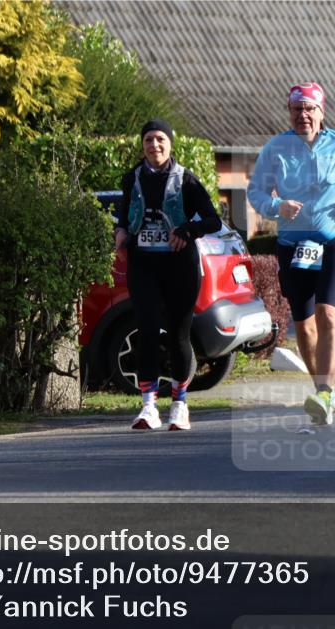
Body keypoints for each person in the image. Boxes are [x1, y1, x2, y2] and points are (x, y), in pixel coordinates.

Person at [247, 82, 335, 426]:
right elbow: (255, 190)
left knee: (328, 314)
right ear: (289, 113)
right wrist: (276, 206)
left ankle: (326, 393)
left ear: (321, 112)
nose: (303, 115)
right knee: (304, 326)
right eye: (296, 109)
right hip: (294, 246)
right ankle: (321, 390)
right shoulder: (276, 148)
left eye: (309, 108)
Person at [114, 119, 222, 430]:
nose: (154, 145)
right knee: (146, 330)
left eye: (160, 139)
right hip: (143, 265)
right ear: (142, 145)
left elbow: (212, 220)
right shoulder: (131, 178)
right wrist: (121, 232)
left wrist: (188, 229)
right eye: (149, 140)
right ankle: (148, 407)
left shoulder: (186, 179)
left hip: (179, 266)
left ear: (170, 144)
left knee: (178, 334)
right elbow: (124, 215)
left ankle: (179, 404)